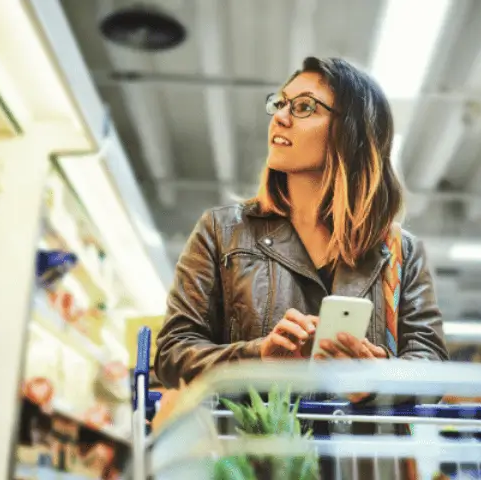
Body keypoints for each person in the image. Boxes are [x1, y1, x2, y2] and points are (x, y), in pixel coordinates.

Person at [154, 56, 448, 395]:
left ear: (352, 133)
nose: (280, 116)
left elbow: (432, 366)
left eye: (305, 107)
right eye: (280, 103)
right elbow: (171, 355)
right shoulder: (222, 232)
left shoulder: (401, 252)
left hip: (361, 447)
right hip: (254, 446)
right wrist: (257, 358)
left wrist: (374, 380)